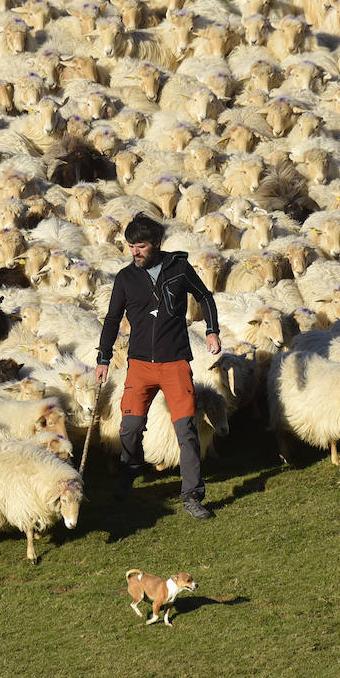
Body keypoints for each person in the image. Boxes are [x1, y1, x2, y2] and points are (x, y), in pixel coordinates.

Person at [96, 214, 222, 519]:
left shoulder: (179, 268)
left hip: (175, 363)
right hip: (139, 366)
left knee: (186, 431)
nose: (134, 252)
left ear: (157, 244)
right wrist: (103, 359)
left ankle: (192, 495)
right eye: (130, 246)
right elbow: (112, 320)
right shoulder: (126, 278)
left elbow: (204, 296)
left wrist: (212, 330)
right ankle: (132, 467)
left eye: (140, 246)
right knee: (128, 428)